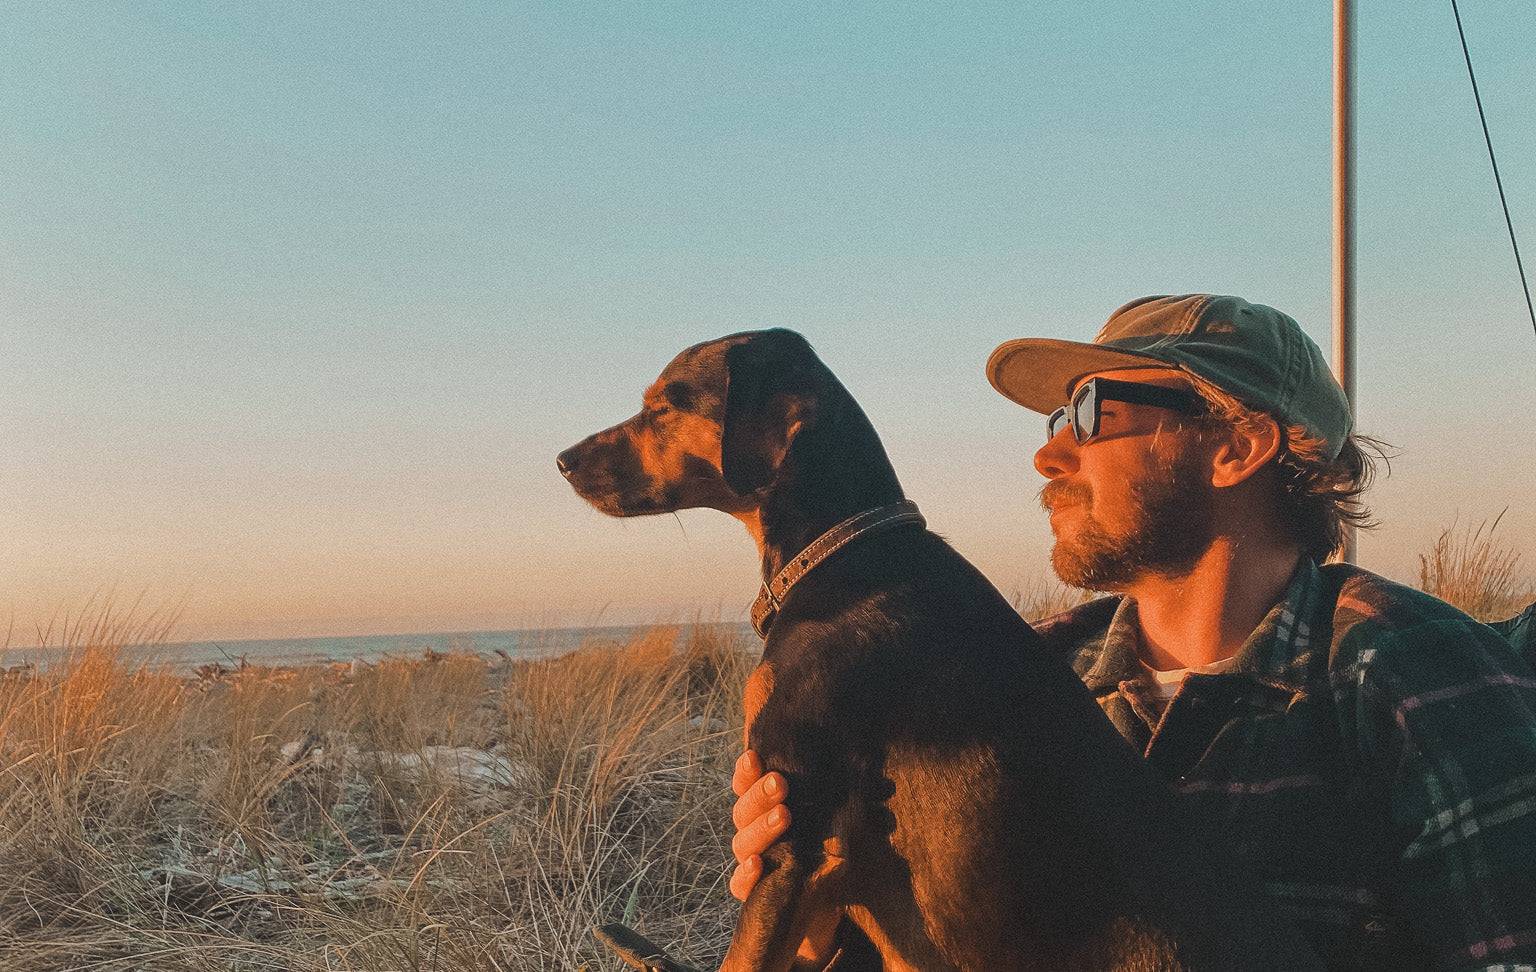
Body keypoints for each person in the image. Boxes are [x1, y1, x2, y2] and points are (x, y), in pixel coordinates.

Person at [730, 294, 1536, 971]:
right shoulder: (1013, 673)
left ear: (1237, 446)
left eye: (1090, 412)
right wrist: (820, 925)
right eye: (1056, 416)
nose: (1049, 454)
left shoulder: (1411, 673)